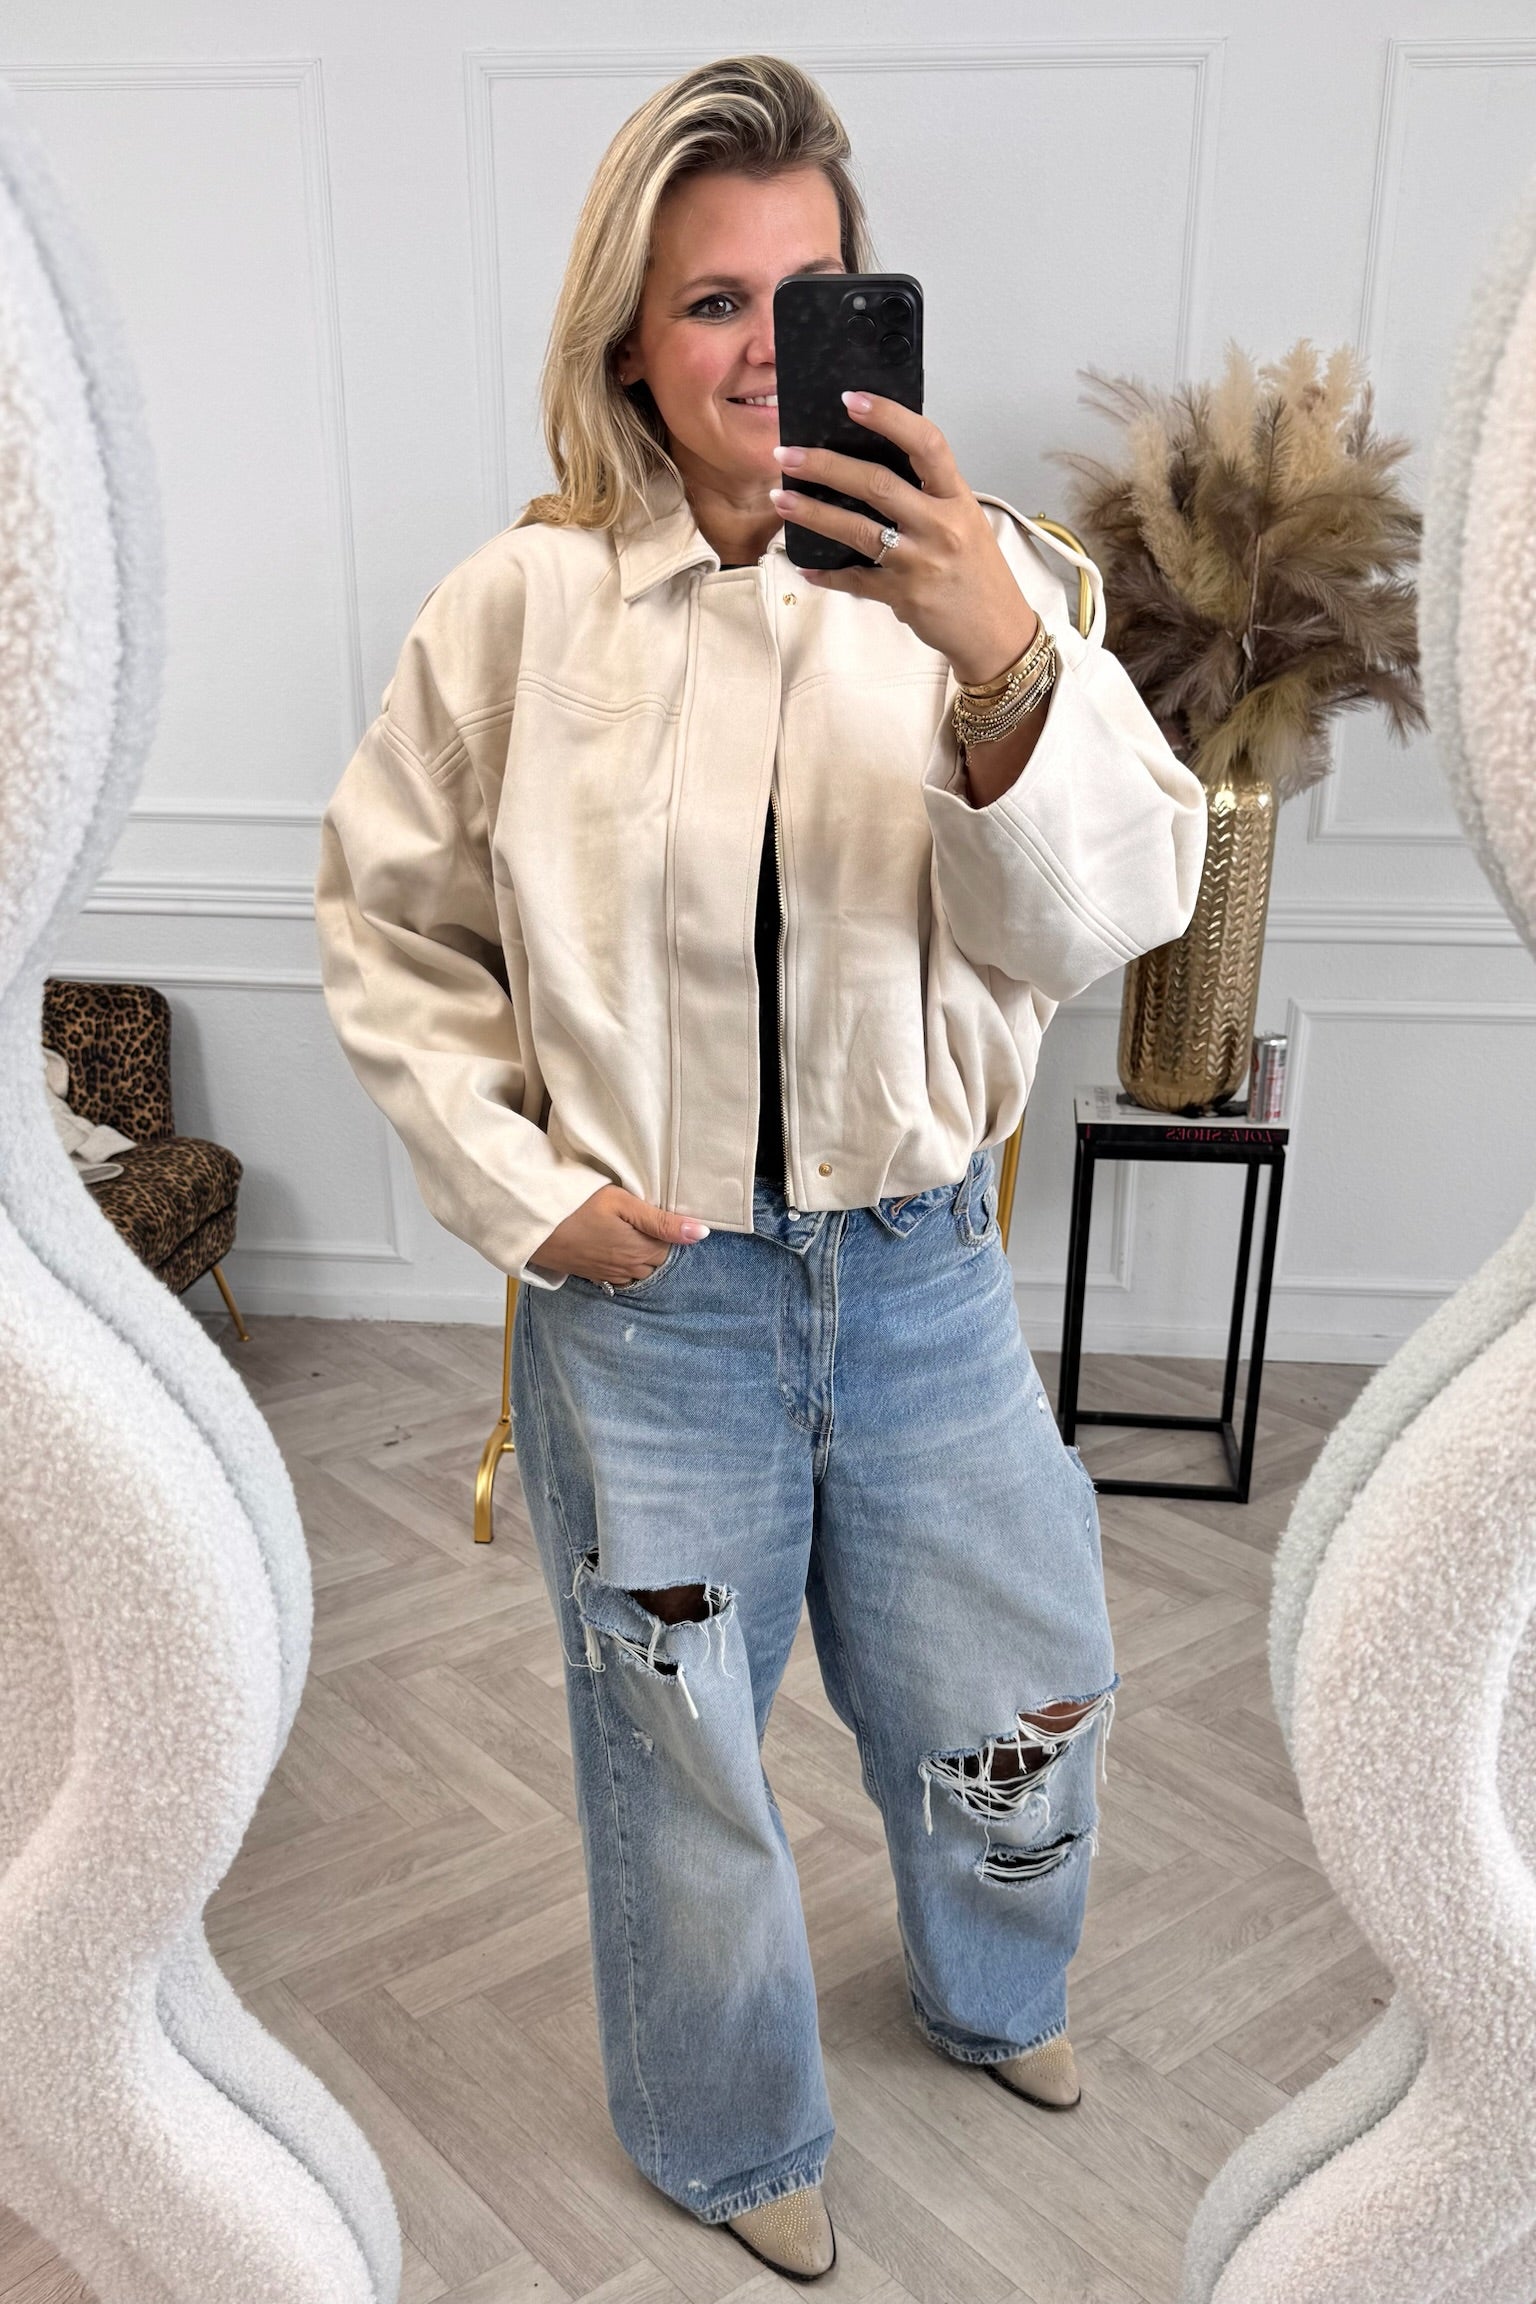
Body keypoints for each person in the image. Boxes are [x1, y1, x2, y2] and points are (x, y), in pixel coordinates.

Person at [314, 53, 1207, 2286]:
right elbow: (392, 929)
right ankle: (727, 2129)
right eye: (712, 302)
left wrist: (992, 653)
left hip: (924, 1275)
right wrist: (525, 1192)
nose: (759, 351)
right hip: (656, 1302)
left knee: (1014, 1693)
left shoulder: (1001, 585)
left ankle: (995, 1982)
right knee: (682, 1754)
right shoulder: (518, 614)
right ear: (630, 337)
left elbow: (1115, 913)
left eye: (807, 296)